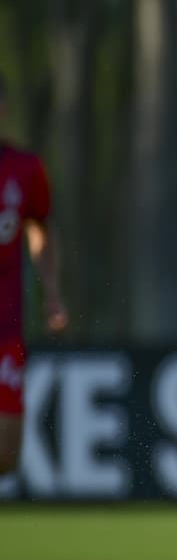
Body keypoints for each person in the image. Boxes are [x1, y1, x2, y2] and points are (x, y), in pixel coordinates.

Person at [0, 72, 68, 478]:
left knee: (7, 456)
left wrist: (53, 294)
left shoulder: (25, 169)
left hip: (5, 327)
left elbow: (40, 227)